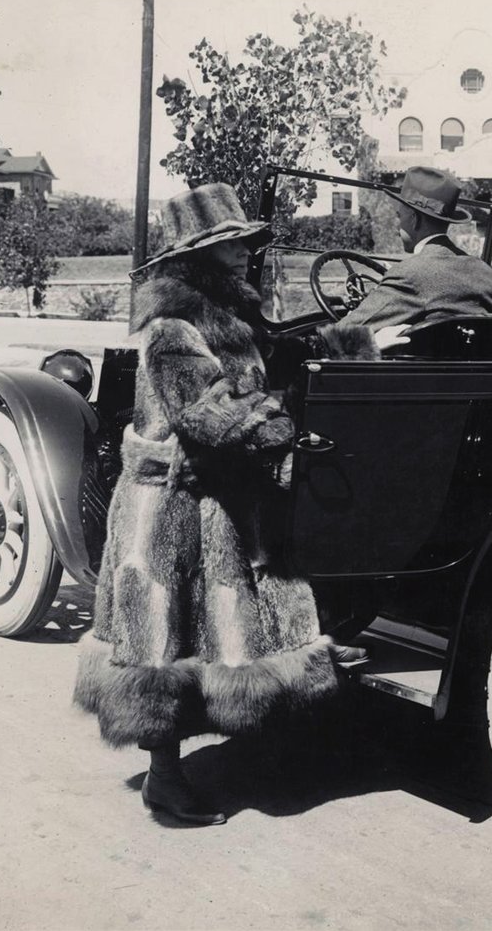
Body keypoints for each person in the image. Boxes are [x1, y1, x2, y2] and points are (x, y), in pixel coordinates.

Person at [74, 183, 365, 827]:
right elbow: (205, 413)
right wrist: (279, 433)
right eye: (230, 245)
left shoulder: (230, 316)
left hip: (220, 499)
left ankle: (237, 751)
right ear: (194, 259)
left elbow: (255, 374)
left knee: (220, 634)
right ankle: (164, 777)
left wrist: (337, 342)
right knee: (161, 642)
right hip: (167, 506)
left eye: (244, 243)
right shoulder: (172, 327)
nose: (244, 255)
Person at [336, 166, 492, 346]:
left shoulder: (410, 274)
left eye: (400, 217)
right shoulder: (487, 275)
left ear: (414, 219)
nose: (397, 226)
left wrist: (371, 343)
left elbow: (337, 337)